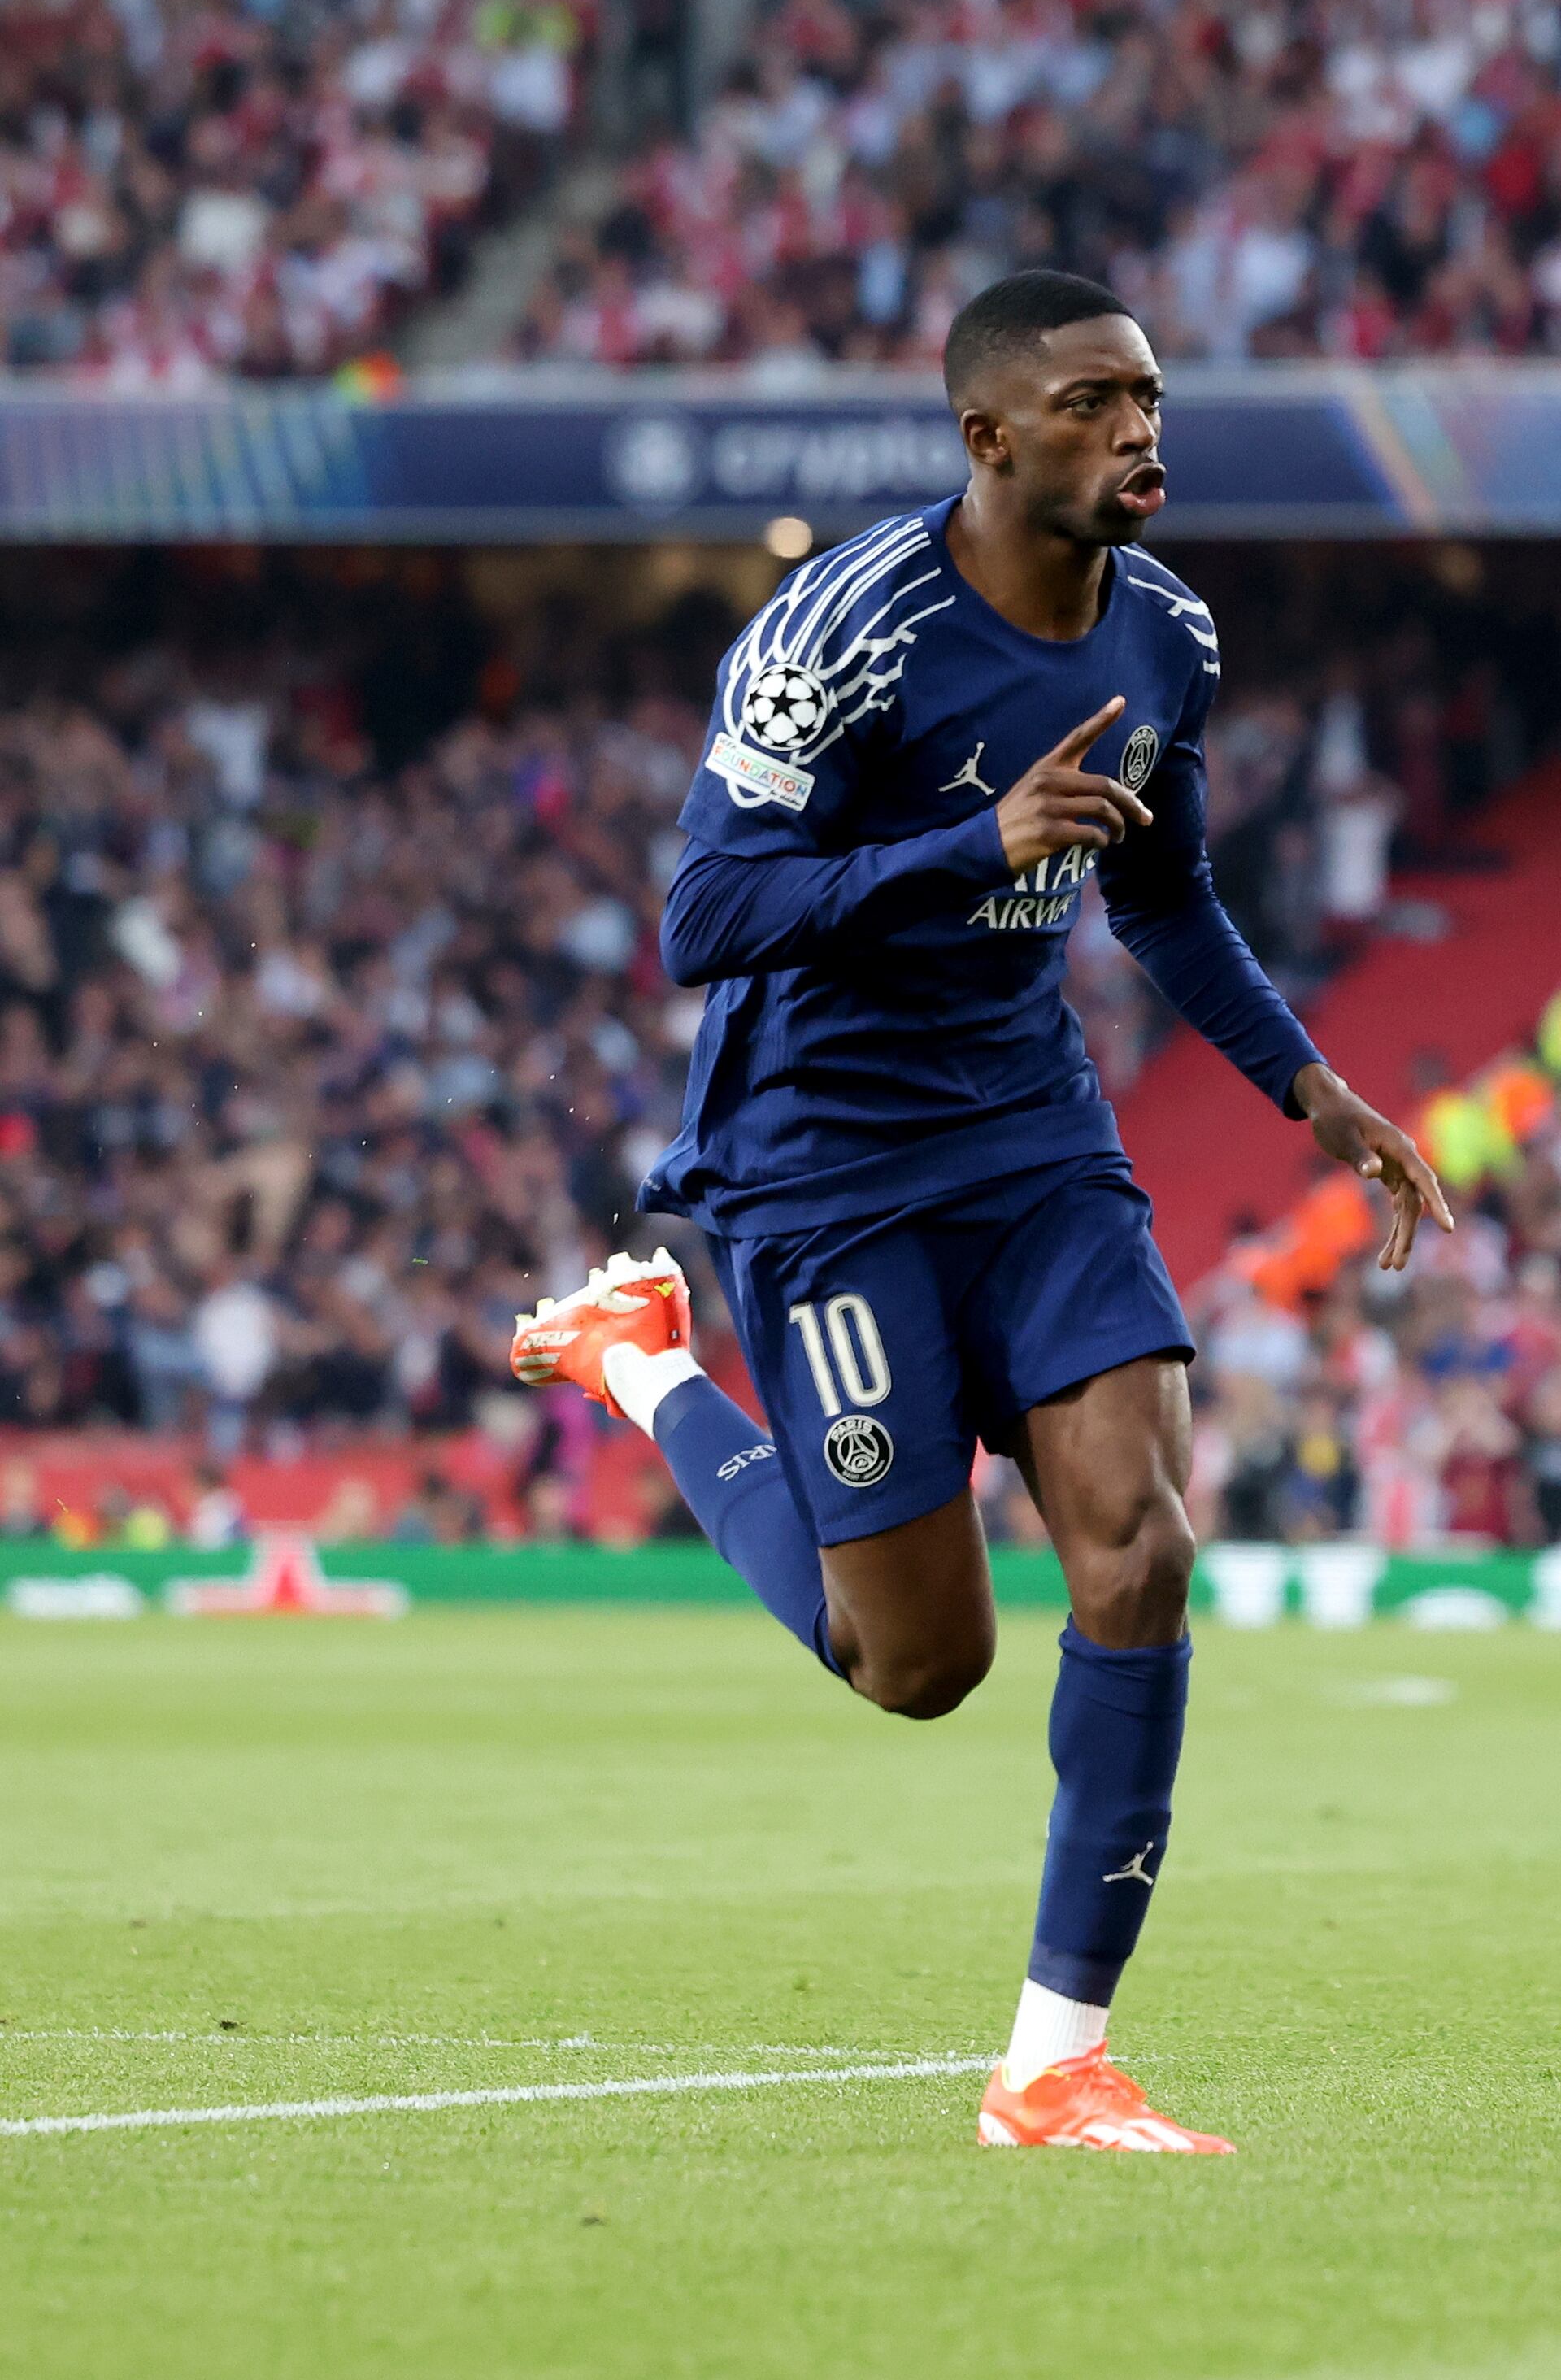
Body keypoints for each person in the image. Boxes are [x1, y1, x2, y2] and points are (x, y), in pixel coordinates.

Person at [506, 271, 1450, 2152]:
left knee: (1143, 1549)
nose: (1141, 432)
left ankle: (1053, 2060)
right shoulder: (837, 632)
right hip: (824, 1166)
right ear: (990, 436)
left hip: (1029, 1139)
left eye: (1152, 398)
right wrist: (967, 843)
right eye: (1096, 403)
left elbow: (1167, 895)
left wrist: (1311, 1087)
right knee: (918, 1665)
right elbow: (704, 919)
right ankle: (647, 1368)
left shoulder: (1167, 634)